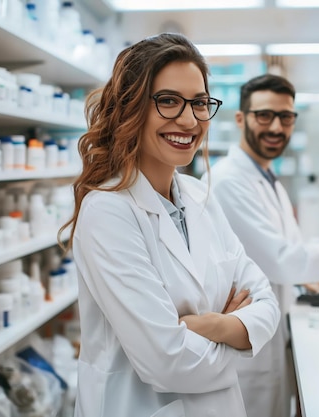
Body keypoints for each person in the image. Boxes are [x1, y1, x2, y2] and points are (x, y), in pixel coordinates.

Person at [59, 33, 280, 417]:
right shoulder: (108, 212)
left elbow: (266, 302)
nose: (189, 119)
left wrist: (206, 325)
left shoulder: (199, 196)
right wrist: (240, 334)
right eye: (168, 101)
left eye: (199, 103)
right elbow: (168, 362)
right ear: (131, 108)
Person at [204, 74, 319, 417]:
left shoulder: (267, 179)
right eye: (264, 115)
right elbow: (282, 259)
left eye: (285, 117)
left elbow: (286, 248)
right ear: (241, 119)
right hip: (248, 343)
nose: (276, 127)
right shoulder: (230, 181)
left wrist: (307, 275)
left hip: (271, 331)